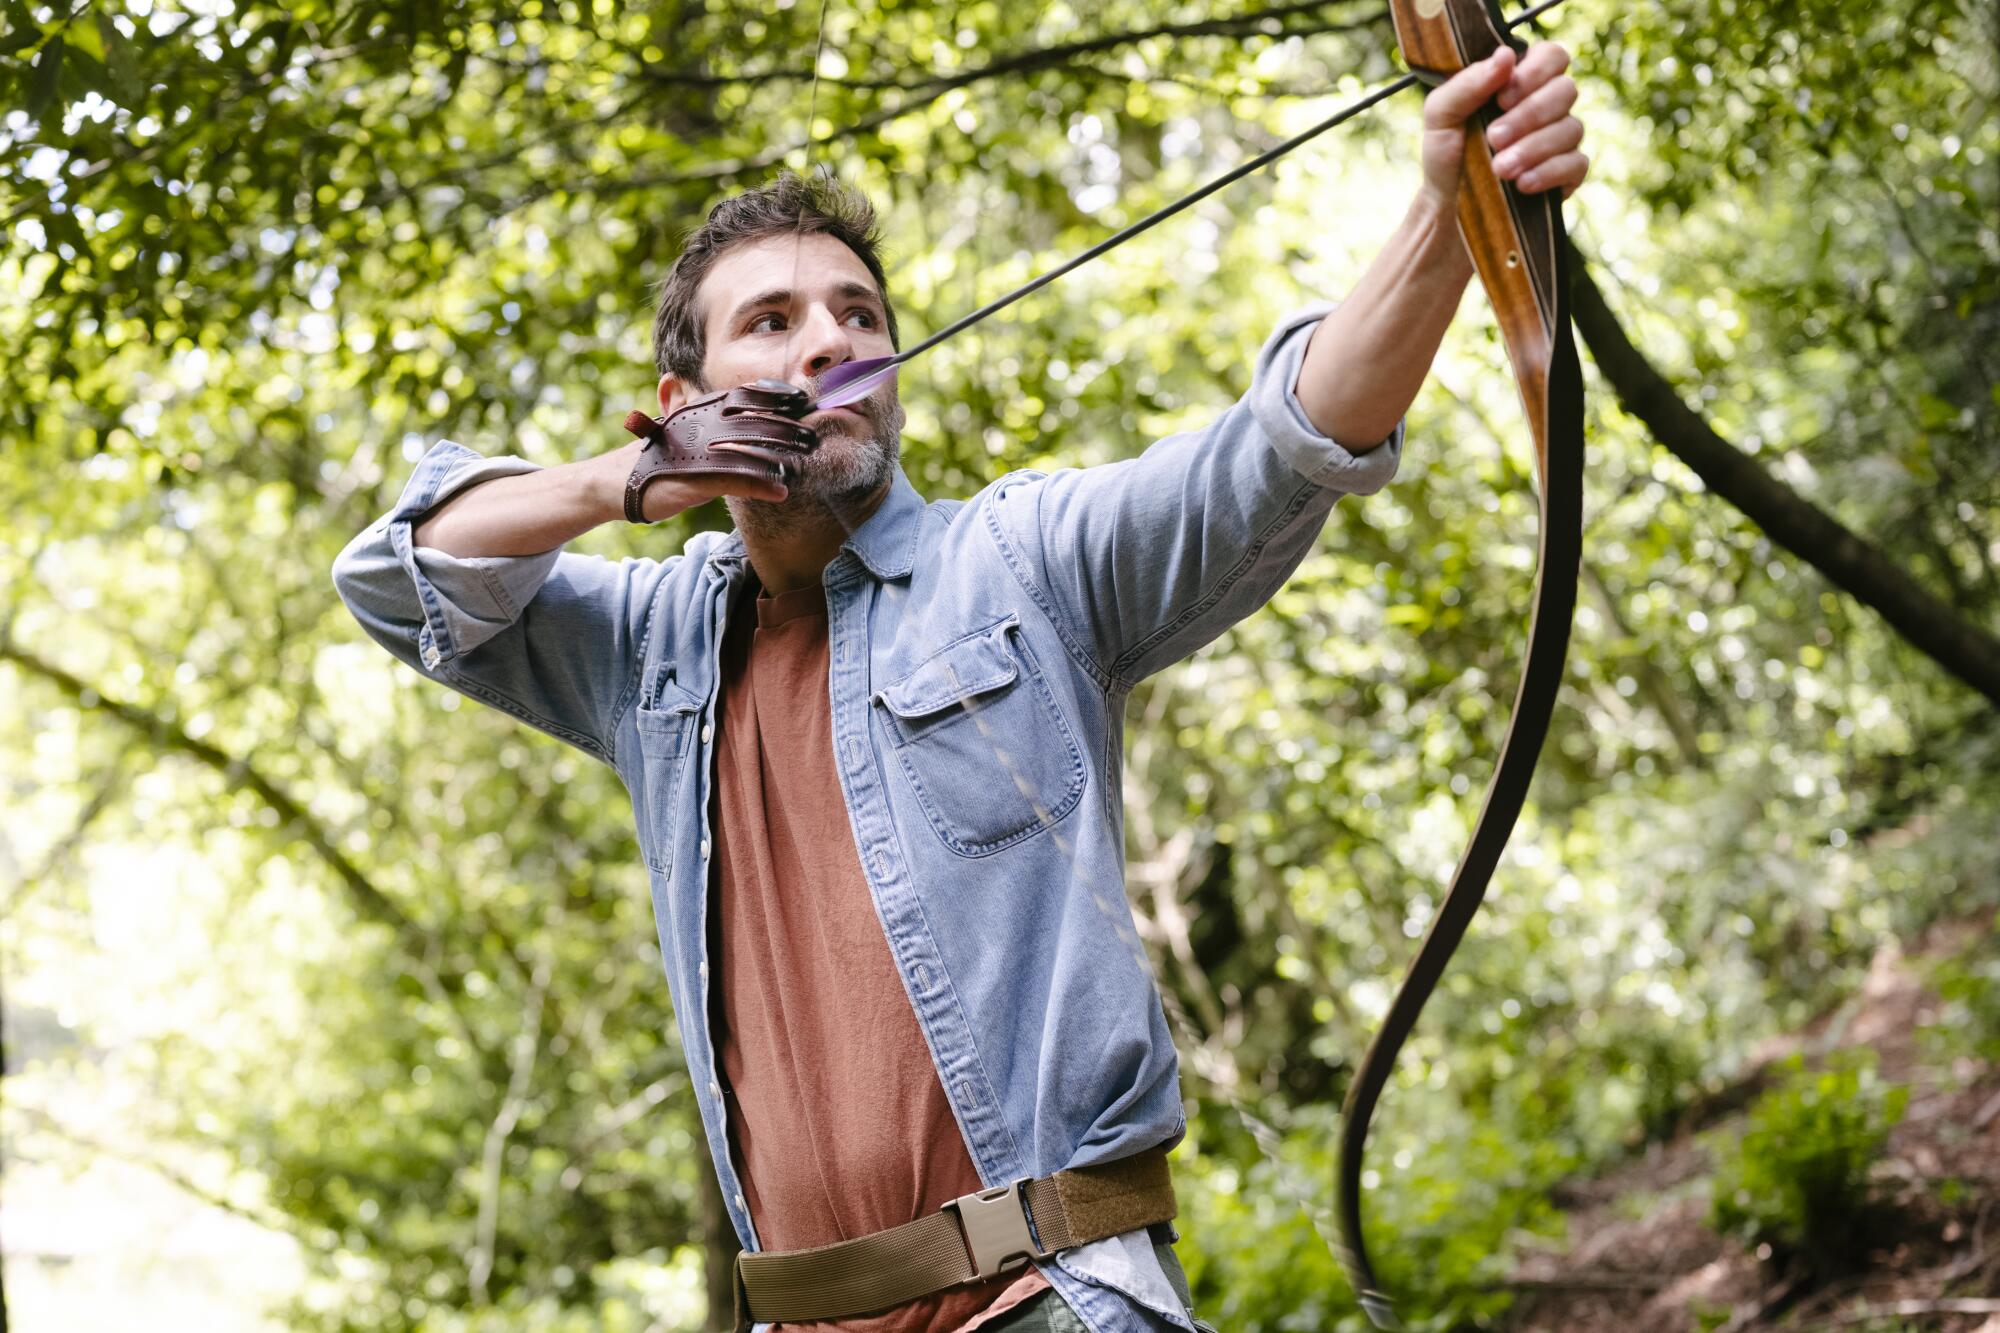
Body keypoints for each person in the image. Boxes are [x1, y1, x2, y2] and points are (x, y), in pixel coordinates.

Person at [332, 41, 1588, 1333]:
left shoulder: (1020, 560)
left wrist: (1450, 206)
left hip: (1051, 1301)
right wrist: (626, 480)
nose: (831, 338)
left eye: (858, 316)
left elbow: (1277, 449)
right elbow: (392, 575)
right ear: (683, 400)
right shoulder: (650, 645)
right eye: (773, 322)